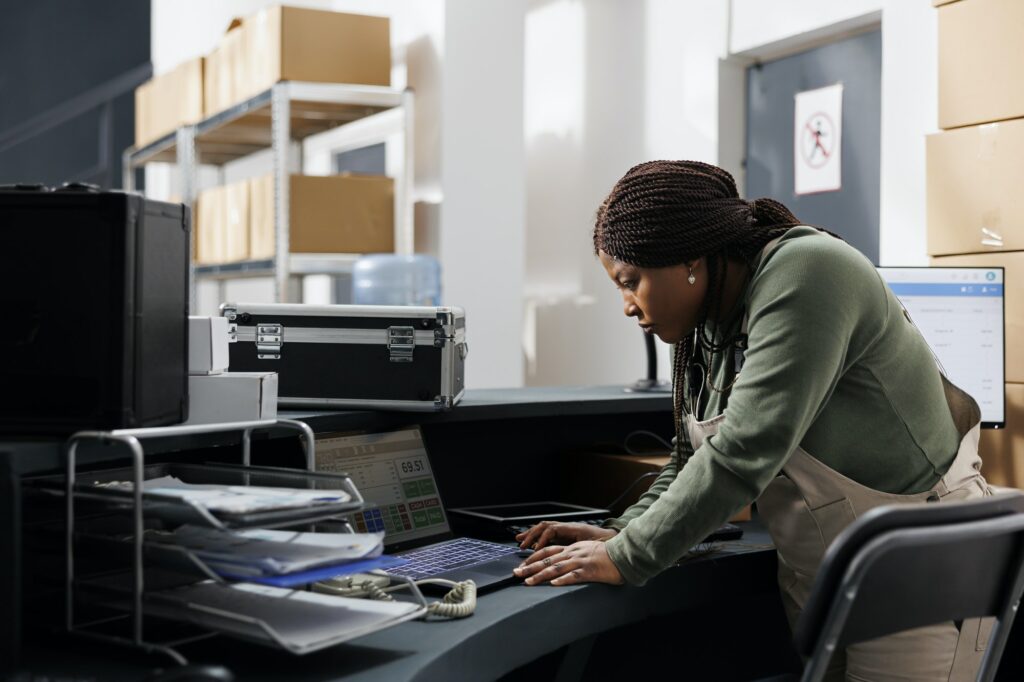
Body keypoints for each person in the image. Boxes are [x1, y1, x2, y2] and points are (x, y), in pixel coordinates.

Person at [512, 160, 993, 680]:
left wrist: (629, 556)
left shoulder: (809, 270)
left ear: (688, 260)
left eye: (632, 281)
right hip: (828, 574)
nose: (627, 306)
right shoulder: (711, 322)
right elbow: (693, 459)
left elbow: (744, 449)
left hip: (919, 574)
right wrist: (620, 532)